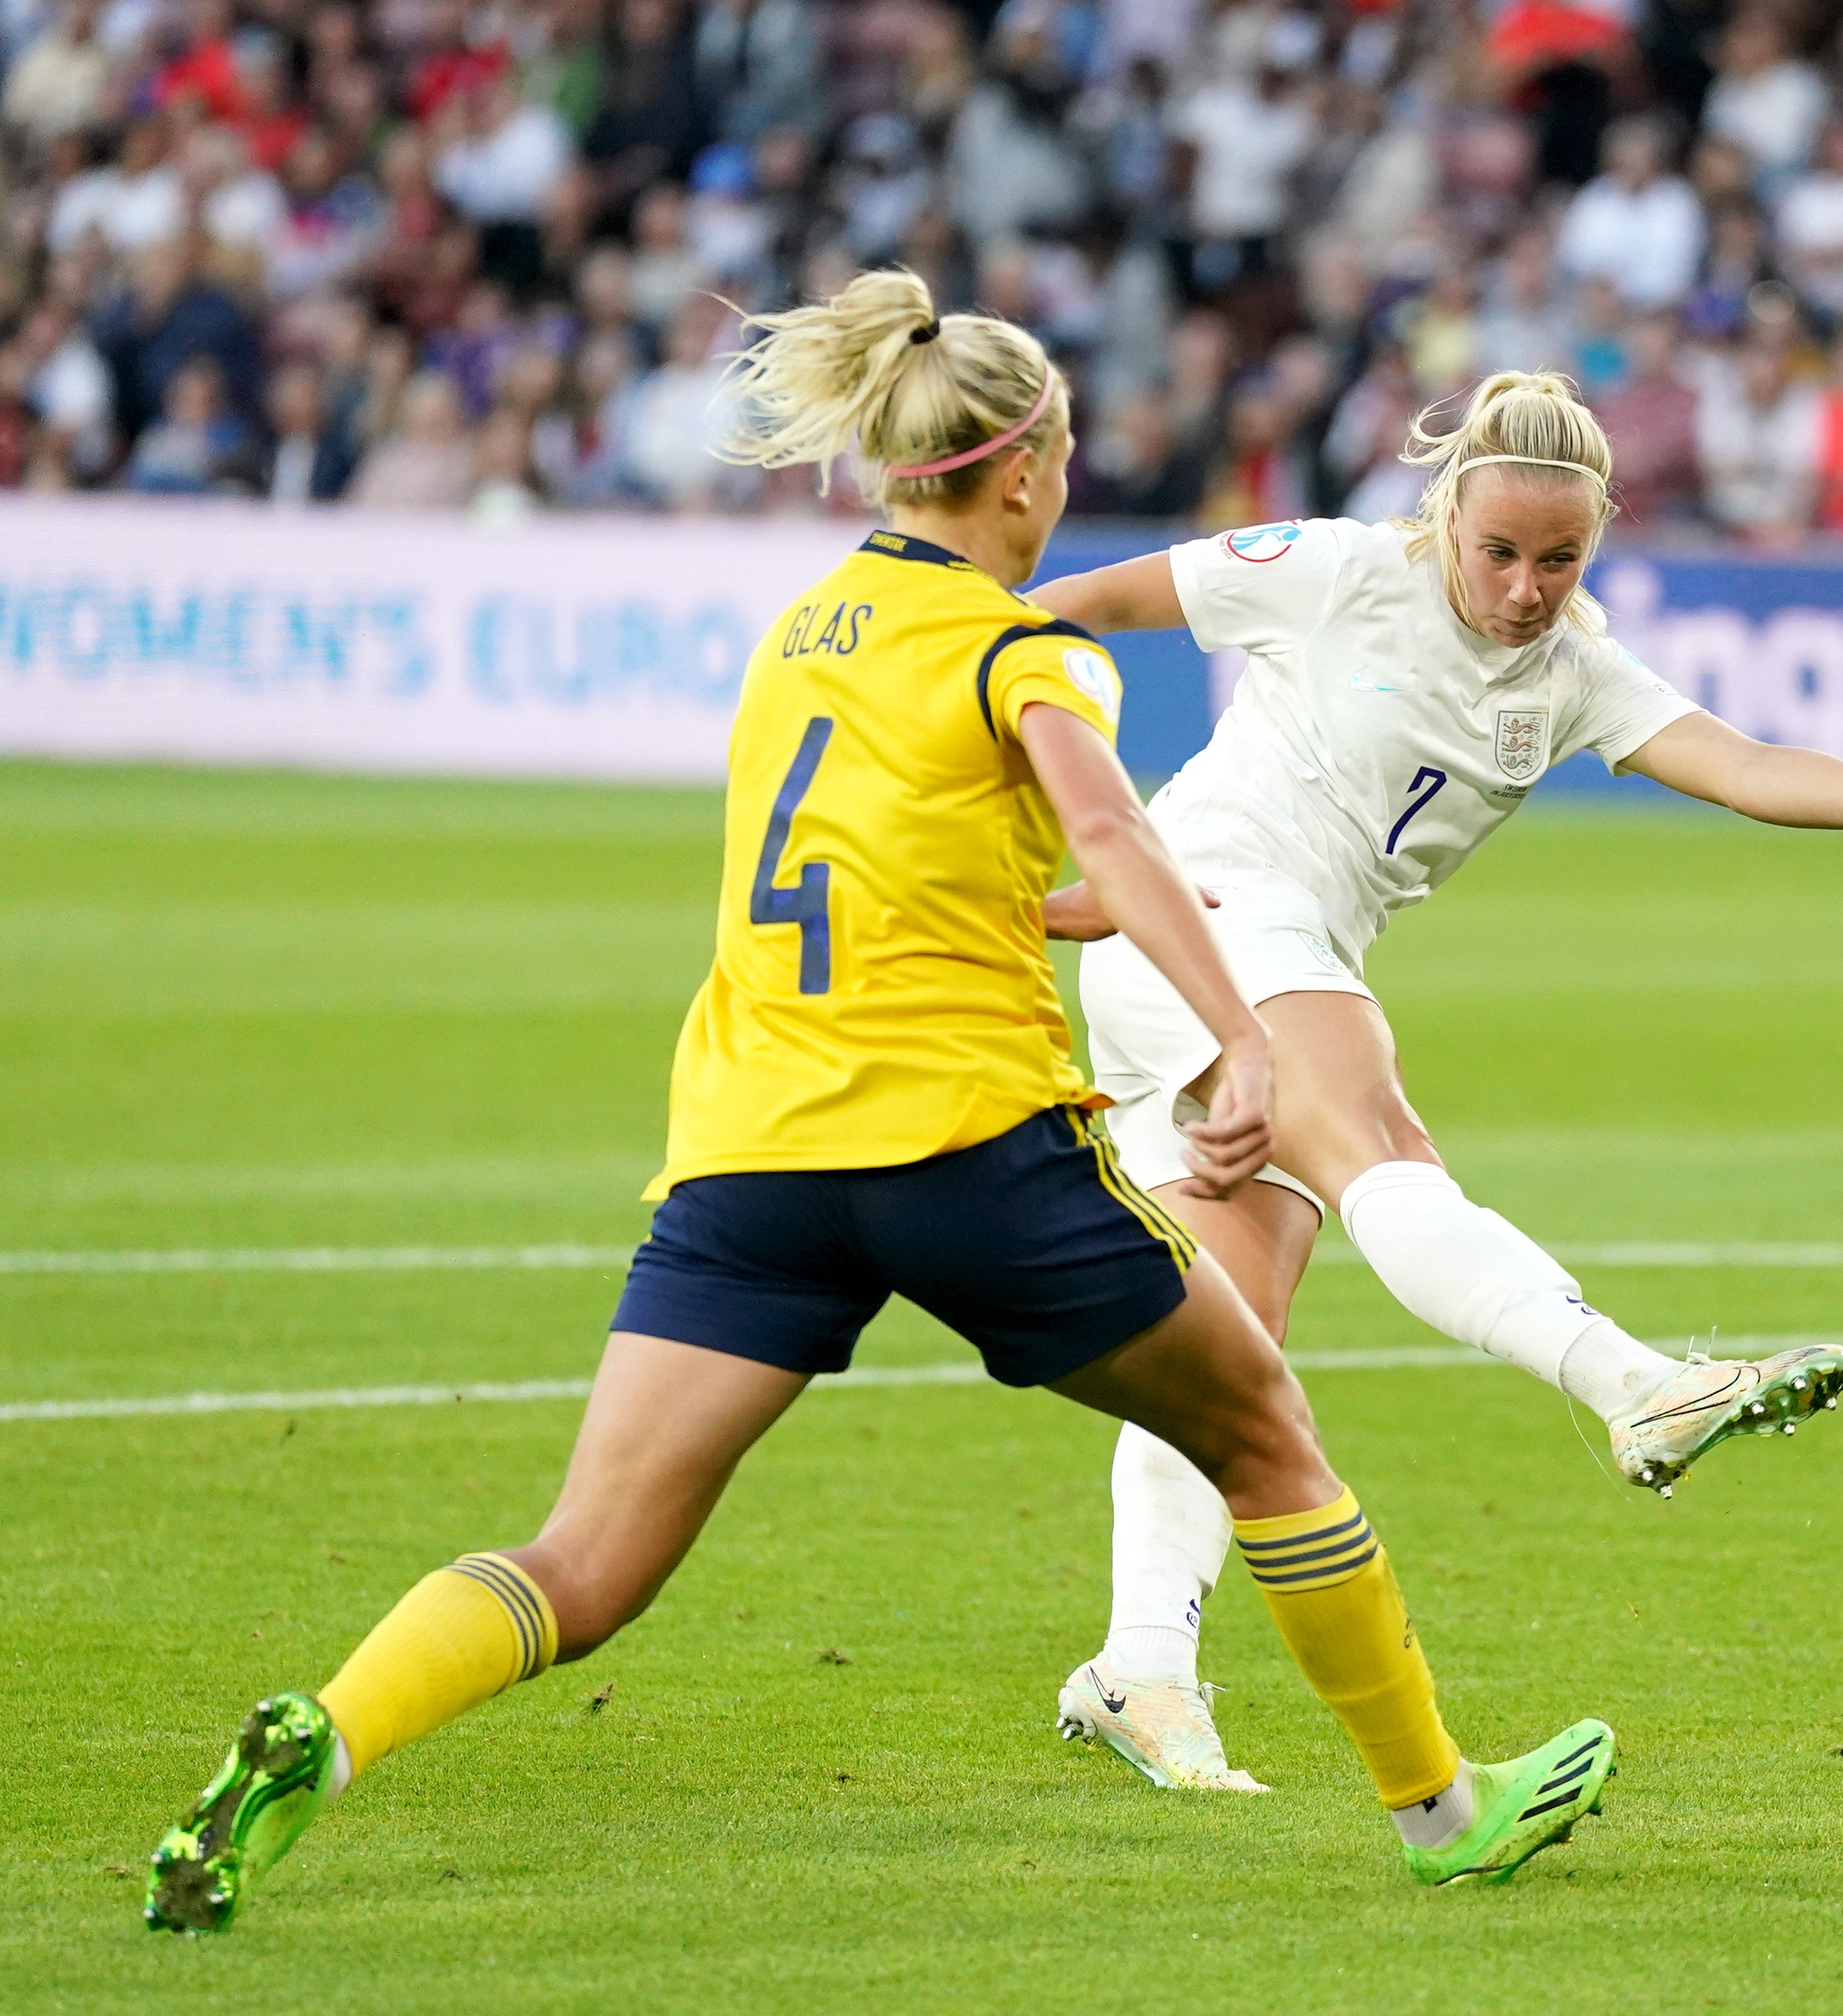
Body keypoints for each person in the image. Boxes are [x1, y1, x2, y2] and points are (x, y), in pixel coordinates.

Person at [142, 275, 1613, 1937]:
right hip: (966, 1142)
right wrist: (1244, 1038)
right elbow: (1121, 844)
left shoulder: (797, 631)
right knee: (1264, 1429)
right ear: (1024, 473)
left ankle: (327, 1735)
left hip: (750, 1151)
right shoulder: (1028, 651)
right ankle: (1441, 1808)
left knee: (586, 1558)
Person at [1027, 369, 1843, 1789]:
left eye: (1557, 560)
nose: (1521, 587)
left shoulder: (1572, 668)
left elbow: (1743, 765)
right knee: (1378, 1133)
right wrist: (957, 688)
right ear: (1445, 518)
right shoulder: (1328, 571)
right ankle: (1634, 1384)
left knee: (1225, 1351)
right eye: (1497, 552)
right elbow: (1080, 608)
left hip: (1257, 949)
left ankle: (1140, 1667)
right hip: (1201, 916)